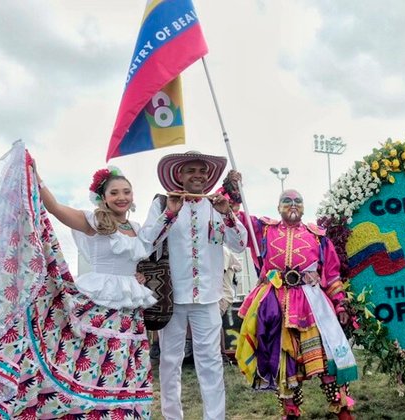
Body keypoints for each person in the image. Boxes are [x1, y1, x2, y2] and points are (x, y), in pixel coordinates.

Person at [0, 143, 155, 418]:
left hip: (129, 307)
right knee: (90, 358)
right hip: (99, 303)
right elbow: (54, 207)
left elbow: (141, 255)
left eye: (126, 192)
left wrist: (136, 276)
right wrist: (36, 175)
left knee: (123, 361)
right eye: (114, 192)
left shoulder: (136, 229)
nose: (121, 197)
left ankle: (119, 412)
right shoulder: (93, 220)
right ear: (102, 197)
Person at [139, 151, 247, 420]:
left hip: (208, 298)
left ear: (208, 176)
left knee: (210, 362)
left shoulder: (217, 206)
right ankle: (173, 416)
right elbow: (146, 242)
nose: (197, 175)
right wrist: (170, 214)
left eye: (202, 171)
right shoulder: (163, 203)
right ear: (179, 175)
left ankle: (215, 417)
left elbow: (241, 244)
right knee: (170, 361)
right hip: (171, 298)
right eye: (191, 171)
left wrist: (229, 215)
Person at [235, 186, 357, 420]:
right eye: (287, 200)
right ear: (278, 206)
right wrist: (233, 190)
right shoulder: (262, 230)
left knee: (327, 356)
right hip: (275, 305)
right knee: (283, 361)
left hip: (312, 305)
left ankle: (342, 409)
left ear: (303, 207)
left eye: (297, 201)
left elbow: (331, 274)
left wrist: (340, 304)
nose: (292, 204)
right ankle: (290, 411)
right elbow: (236, 218)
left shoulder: (317, 236)